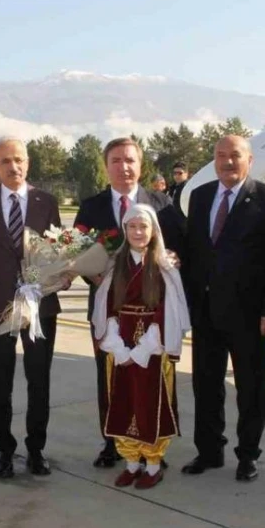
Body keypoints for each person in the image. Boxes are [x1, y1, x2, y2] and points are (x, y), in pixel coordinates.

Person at [181, 135, 265, 482]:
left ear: (250, 160)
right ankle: (209, 451)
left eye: (236, 156)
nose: (228, 162)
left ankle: (248, 455)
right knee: (206, 384)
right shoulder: (200, 197)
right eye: (221, 155)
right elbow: (195, 252)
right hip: (206, 311)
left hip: (250, 315)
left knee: (251, 388)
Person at [73, 137, 184, 468]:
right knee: (111, 377)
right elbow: (75, 253)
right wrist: (95, 278)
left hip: (153, 313)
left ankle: (153, 444)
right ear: (106, 166)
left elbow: (178, 246)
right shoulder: (91, 207)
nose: (124, 167)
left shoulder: (163, 203)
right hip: (111, 312)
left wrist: (174, 258)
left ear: (141, 165)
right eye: (116, 160)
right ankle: (113, 443)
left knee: (153, 378)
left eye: (130, 160)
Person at [0, 136, 62, 479]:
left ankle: (36, 450)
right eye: (5, 161)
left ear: (28, 163)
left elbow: (59, 250)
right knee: (0, 381)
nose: (13, 166)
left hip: (41, 308)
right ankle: (4, 449)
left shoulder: (46, 202)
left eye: (18, 159)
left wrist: (62, 276)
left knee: (39, 381)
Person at [92, 204, 190, 489]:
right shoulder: (116, 265)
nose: (137, 232)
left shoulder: (163, 266)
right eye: (132, 226)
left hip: (152, 348)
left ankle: (153, 464)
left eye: (143, 227)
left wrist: (145, 348)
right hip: (121, 344)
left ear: (153, 231)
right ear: (125, 230)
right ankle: (132, 462)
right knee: (123, 402)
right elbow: (108, 307)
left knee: (151, 404)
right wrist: (118, 348)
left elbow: (166, 311)